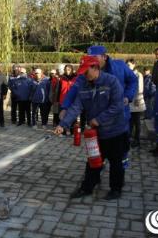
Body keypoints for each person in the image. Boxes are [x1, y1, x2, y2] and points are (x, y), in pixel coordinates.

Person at [55, 56, 129, 200]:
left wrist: (98, 119)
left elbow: (118, 106)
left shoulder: (111, 82)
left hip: (115, 131)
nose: (83, 74)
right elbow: (76, 107)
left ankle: (115, 190)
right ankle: (87, 188)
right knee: (93, 160)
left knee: (116, 162)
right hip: (97, 133)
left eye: (86, 71)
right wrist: (63, 125)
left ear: (95, 68)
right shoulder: (84, 85)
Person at [126, 59, 146, 148]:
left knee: (137, 122)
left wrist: (138, 98)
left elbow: (140, 88)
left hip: (136, 101)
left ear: (134, 64)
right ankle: (129, 139)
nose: (128, 66)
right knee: (130, 122)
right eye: (127, 65)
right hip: (129, 101)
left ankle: (137, 140)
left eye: (129, 65)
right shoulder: (127, 74)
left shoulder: (139, 75)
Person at [59, 64, 77, 134]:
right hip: (62, 100)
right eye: (66, 70)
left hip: (73, 101)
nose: (67, 71)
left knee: (72, 116)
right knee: (62, 116)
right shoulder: (61, 78)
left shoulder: (76, 78)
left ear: (72, 70)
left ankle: (72, 131)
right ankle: (63, 131)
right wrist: (57, 100)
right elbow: (58, 90)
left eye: (69, 70)